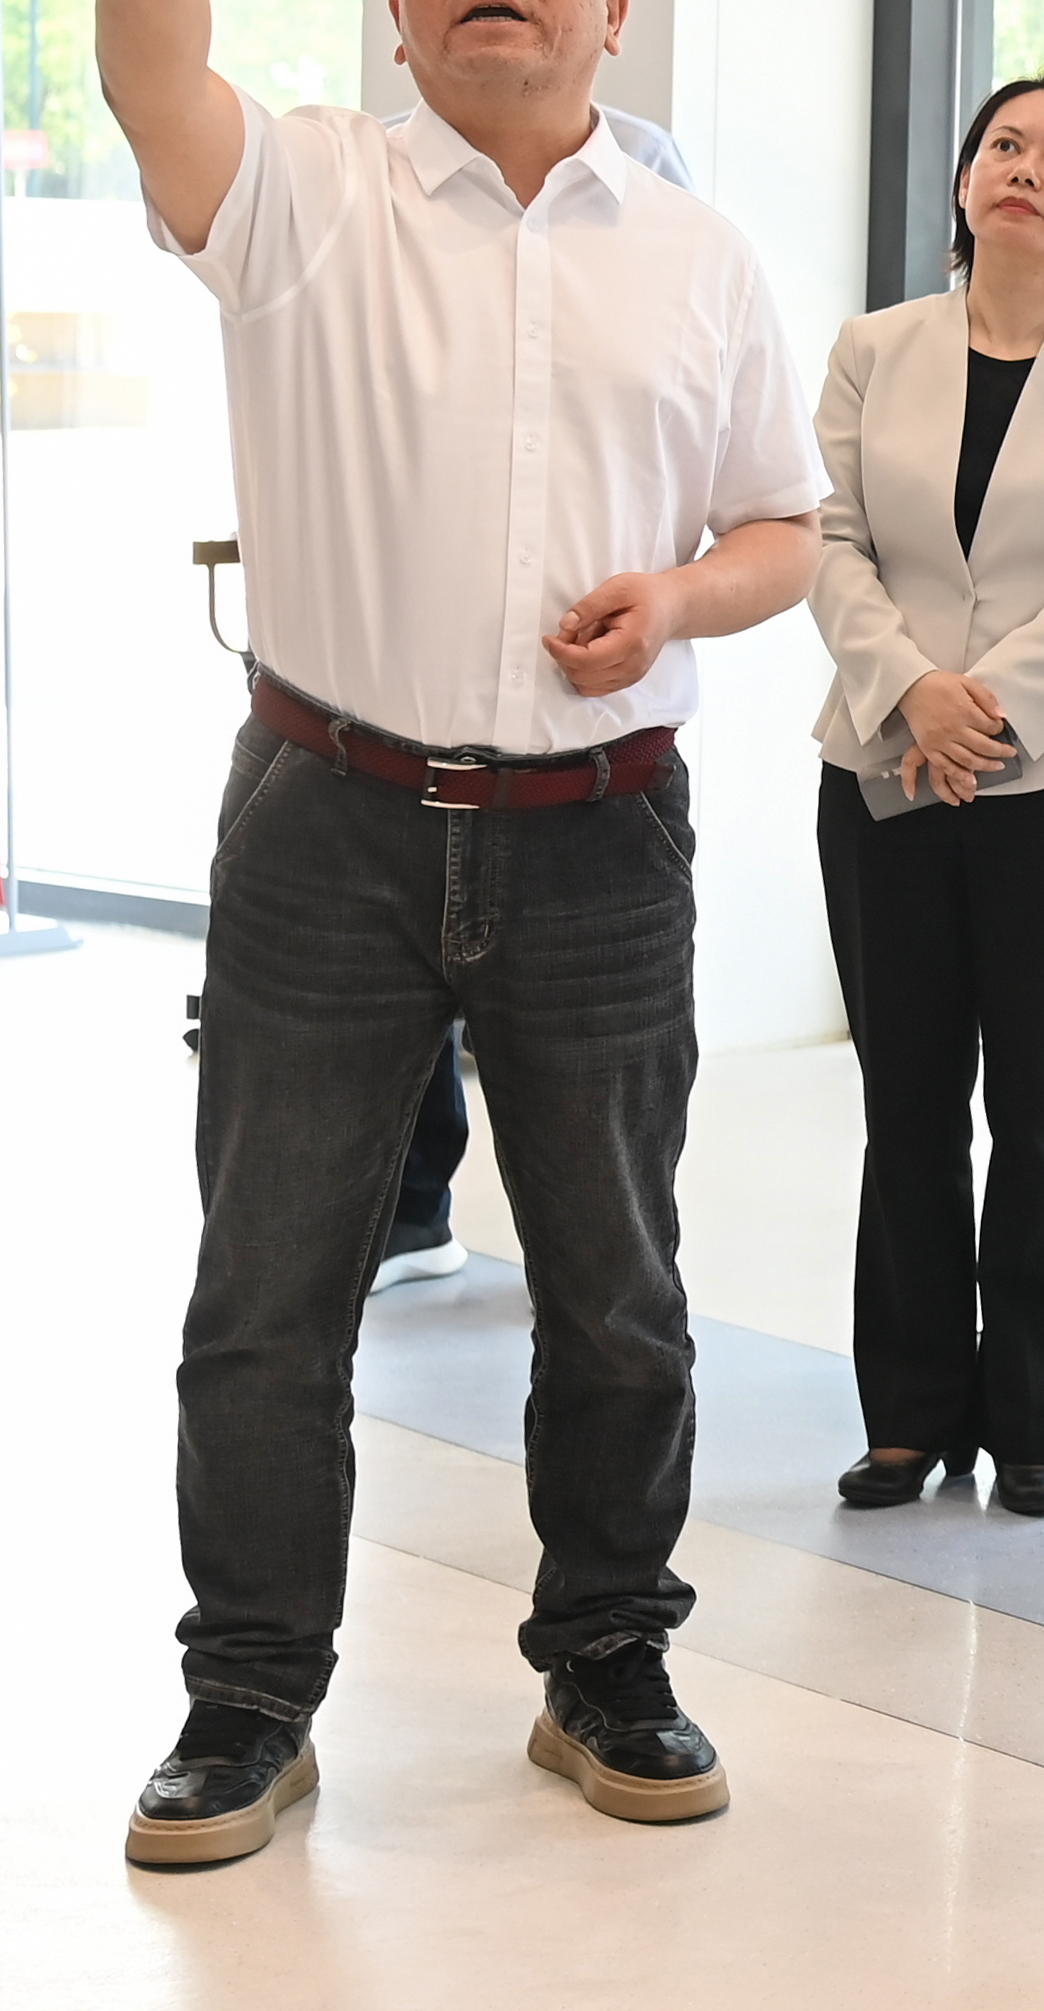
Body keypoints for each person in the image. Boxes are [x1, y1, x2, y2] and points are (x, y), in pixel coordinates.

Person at [86, 0, 828, 1867]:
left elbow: (782, 527)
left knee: (617, 1290)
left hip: (602, 831)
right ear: (398, 10)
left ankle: (608, 1659)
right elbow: (153, 80)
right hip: (325, 818)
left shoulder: (697, 252)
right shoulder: (306, 191)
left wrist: (680, 595)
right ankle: (248, 1699)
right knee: (268, 1290)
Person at [811, 69, 1044, 1522]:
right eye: (1004, 146)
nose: (1025, 169)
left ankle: (1033, 1419)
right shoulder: (874, 347)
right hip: (884, 761)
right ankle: (907, 1417)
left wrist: (993, 706)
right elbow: (830, 540)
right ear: (967, 182)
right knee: (907, 1102)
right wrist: (914, 689)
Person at [377, 112, 701, 1299]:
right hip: (383, 745)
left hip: (592, 755)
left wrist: (667, 603)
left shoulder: (654, 189)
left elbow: (754, 498)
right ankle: (413, 1212)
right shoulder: (377, 188)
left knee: (606, 1215)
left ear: (610, 23)